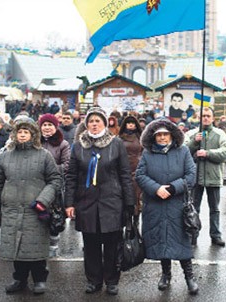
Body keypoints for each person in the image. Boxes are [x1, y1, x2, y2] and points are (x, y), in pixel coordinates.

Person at [64, 107, 135, 296]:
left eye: (98, 121)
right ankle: (94, 280)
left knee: (112, 244)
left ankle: (112, 280)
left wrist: (130, 203)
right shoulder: (79, 146)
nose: (94, 124)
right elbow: (71, 176)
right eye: (91, 121)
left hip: (112, 202)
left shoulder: (116, 143)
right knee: (91, 245)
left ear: (105, 123)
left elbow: (125, 175)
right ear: (86, 125)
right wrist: (69, 203)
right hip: (86, 203)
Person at [0, 118, 61, 294]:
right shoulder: (5, 156)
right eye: (19, 132)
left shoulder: (44, 156)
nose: (22, 135)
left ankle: (39, 279)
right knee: (16, 247)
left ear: (33, 134)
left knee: (35, 247)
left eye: (26, 132)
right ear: (14, 134)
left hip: (36, 210)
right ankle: (19, 279)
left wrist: (43, 200)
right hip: (11, 210)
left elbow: (55, 180)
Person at [135, 118, 198, 295]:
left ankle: (189, 277)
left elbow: (191, 175)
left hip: (178, 205)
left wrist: (172, 187)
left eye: (165, 134)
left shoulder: (183, 151)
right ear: (153, 137)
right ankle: (166, 274)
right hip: (156, 204)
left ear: (171, 135)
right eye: (159, 135)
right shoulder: (147, 154)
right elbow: (140, 175)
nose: (162, 138)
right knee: (162, 241)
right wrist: (156, 189)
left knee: (181, 241)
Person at [185, 107, 226, 247]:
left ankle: (216, 235)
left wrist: (208, 153)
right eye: (203, 116)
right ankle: (193, 235)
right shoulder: (191, 134)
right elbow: (183, 151)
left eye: (208, 116)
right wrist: (194, 142)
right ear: (198, 118)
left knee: (215, 209)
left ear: (212, 118)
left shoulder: (220, 134)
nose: (205, 118)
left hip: (213, 176)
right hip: (195, 177)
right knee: (194, 208)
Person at [38, 113, 70, 256]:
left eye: (50, 125)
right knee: (39, 216)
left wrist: (49, 168)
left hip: (55, 185)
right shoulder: (35, 142)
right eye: (44, 125)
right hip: (37, 185)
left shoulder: (63, 144)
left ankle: (53, 247)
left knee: (54, 217)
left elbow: (67, 165)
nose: (47, 128)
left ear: (55, 127)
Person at [118, 115, 143, 226]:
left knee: (137, 196)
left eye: (133, 123)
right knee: (125, 196)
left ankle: (136, 220)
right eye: (129, 123)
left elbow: (144, 151)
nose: (131, 125)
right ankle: (127, 221)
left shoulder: (140, 137)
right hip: (123, 169)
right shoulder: (120, 138)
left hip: (137, 169)